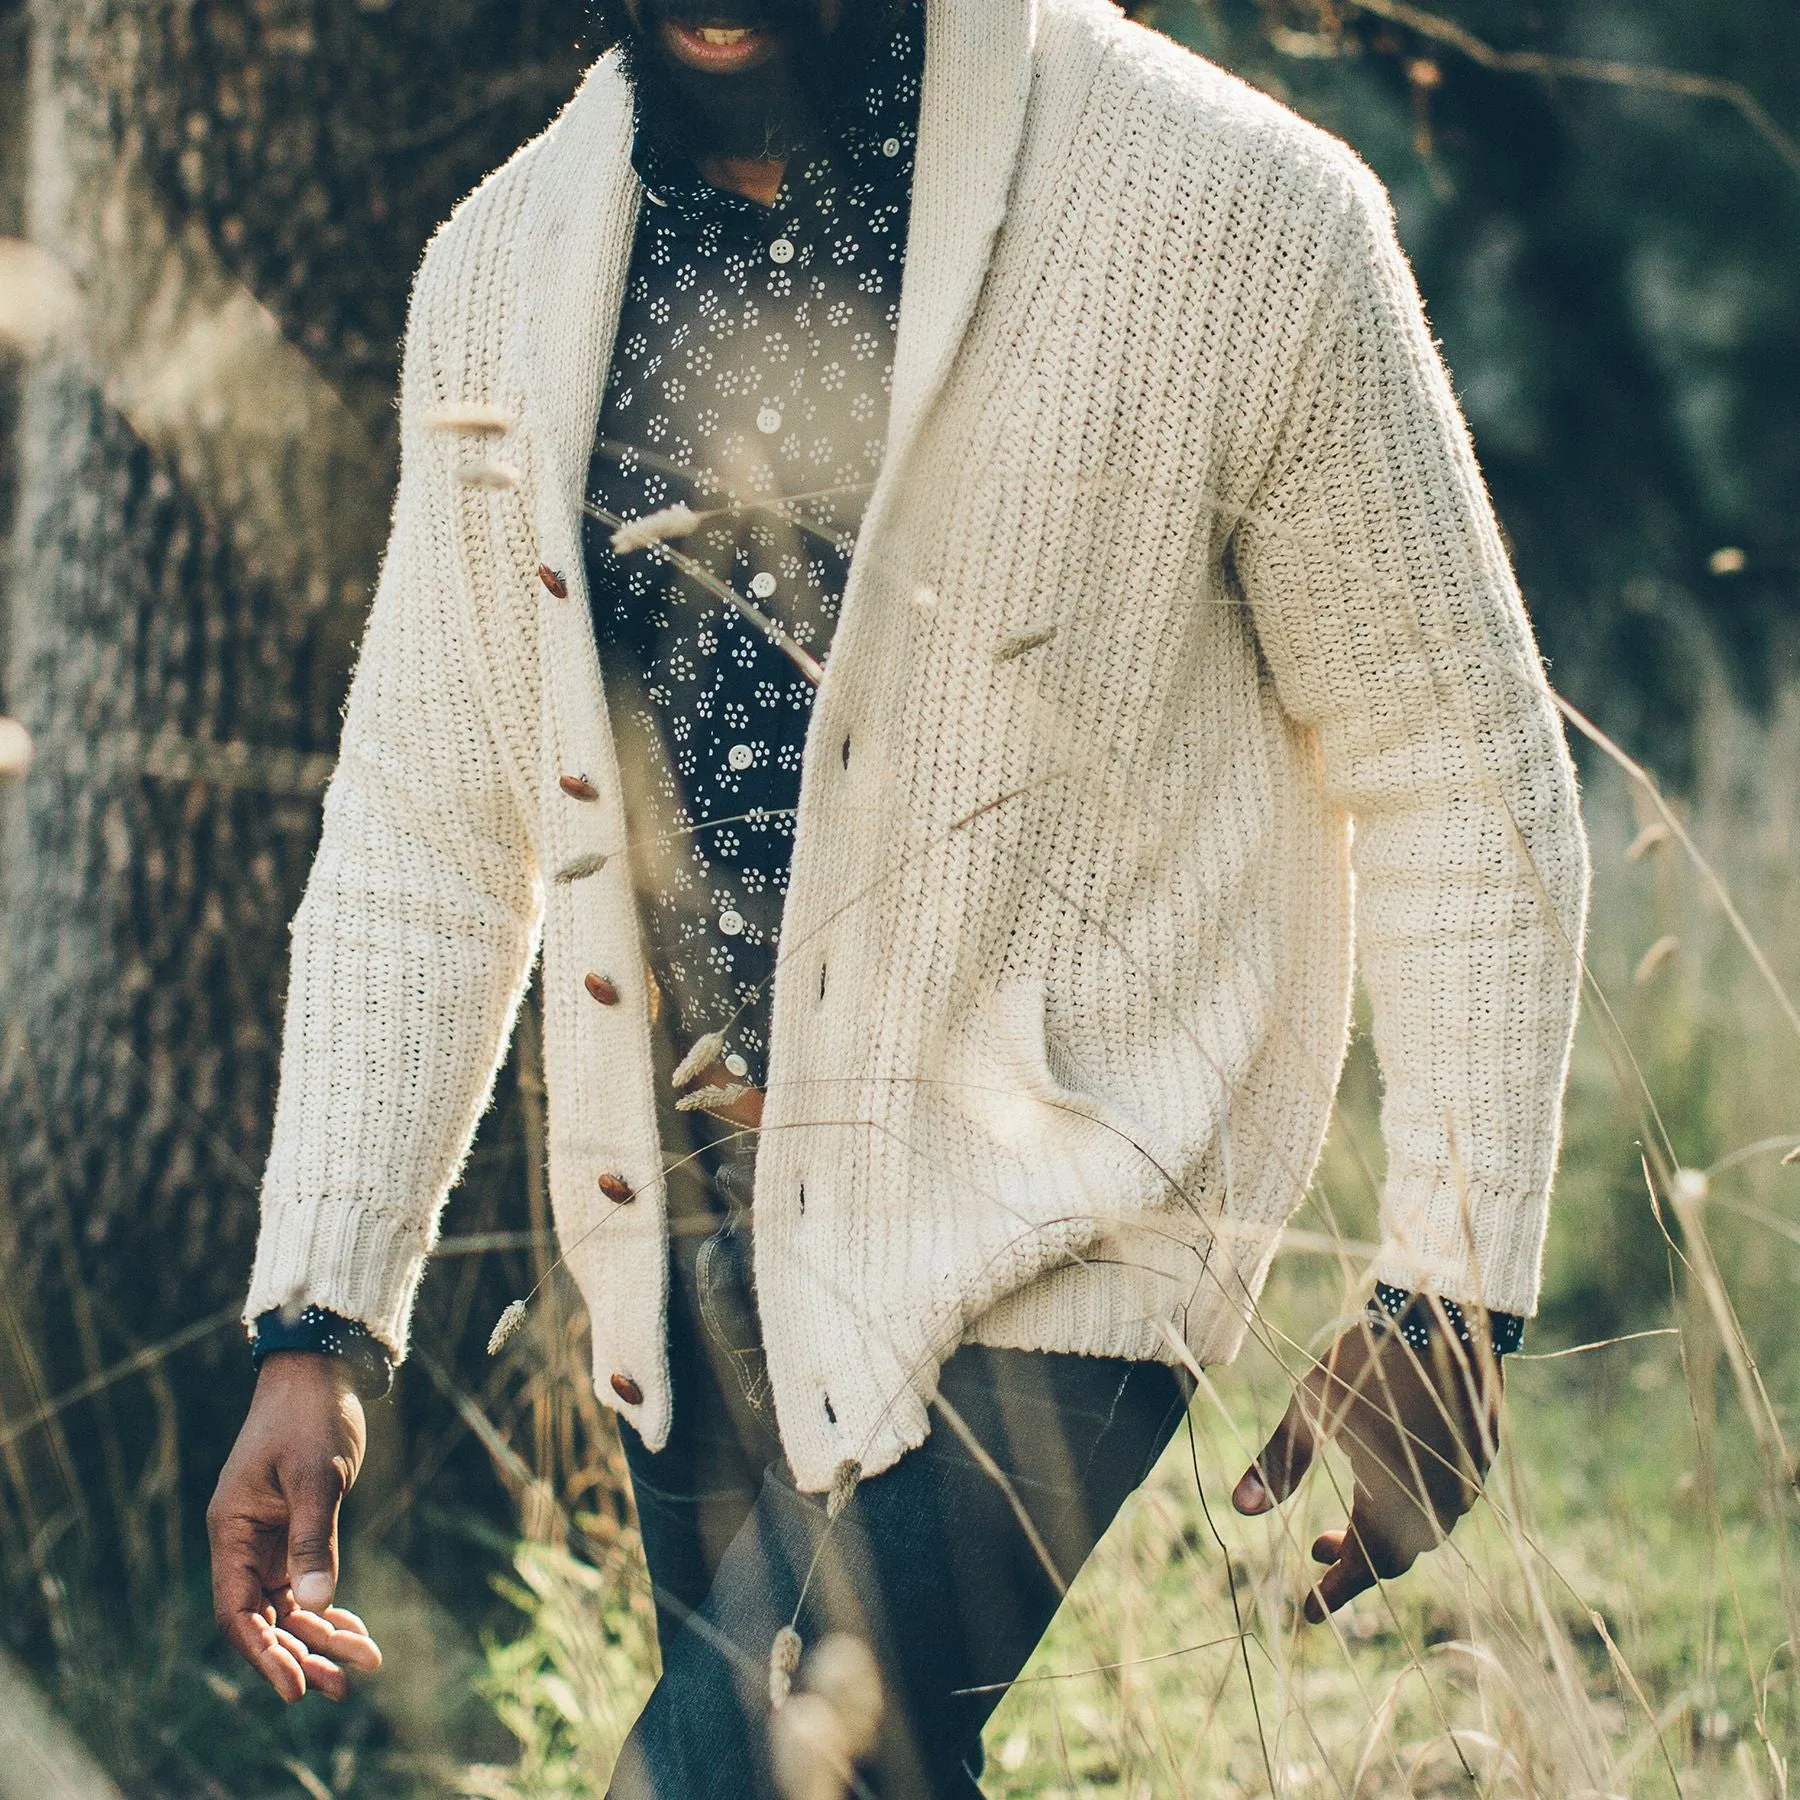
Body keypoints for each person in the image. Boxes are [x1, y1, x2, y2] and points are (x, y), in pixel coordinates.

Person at [206, 1, 1591, 1792]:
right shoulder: (502, 269)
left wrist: (1455, 1296)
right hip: (695, 1239)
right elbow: (422, 827)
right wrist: (315, 1322)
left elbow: (1457, 761)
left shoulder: (1237, 212)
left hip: (1071, 1201)